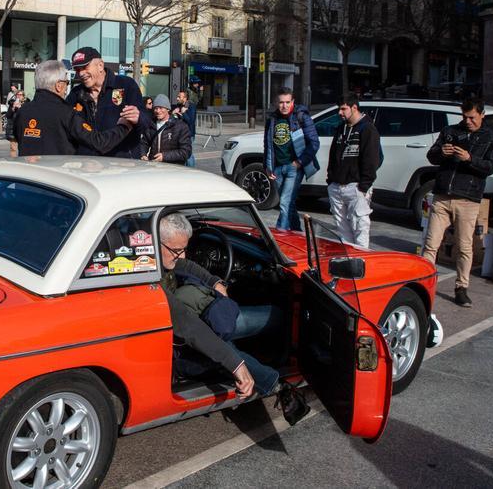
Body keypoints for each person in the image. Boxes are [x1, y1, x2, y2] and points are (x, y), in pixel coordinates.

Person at [157, 213, 307, 419]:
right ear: (157, 243)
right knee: (275, 318)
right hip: (177, 348)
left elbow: (185, 265)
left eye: (184, 249)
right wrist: (235, 364)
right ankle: (278, 384)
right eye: (176, 250)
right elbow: (187, 324)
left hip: (193, 330)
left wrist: (214, 281)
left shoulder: (160, 260)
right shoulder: (149, 279)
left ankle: (277, 384)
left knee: (227, 338)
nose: (182, 255)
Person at [420, 99, 493, 308]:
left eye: (472, 117)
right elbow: (431, 156)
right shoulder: (450, 130)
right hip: (442, 195)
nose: (468, 121)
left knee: (464, 246)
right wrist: (440, 152)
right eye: (464, 117)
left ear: (481, 114)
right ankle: (425, 283)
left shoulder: (491, 137)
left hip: (468, 198)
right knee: (431, 244)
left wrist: (469, 158)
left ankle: (461, 287)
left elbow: (490, 166)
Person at [15, 61, 137, 156]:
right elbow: (98, 142)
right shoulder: (66, 113)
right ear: (59, 86)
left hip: (28, 181)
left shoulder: (23, 111)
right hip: (56, 181)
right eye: (66, 83)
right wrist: (125, 126)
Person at [65, 47, 147, 158]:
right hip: (87, 166)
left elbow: (148, 123)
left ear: (100, 66)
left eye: (85, 67)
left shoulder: (126, 85)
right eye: (77, 70)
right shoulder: (75, 94)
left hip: (122, 166)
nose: (81, 73)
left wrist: (139, 118)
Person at [326, 94, 381, 249]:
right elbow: (333, 155)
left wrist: (364, 186)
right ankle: (348, 261)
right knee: (342, 228)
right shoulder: (341, 128)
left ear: (354, 107)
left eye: (343, 109)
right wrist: (330, 181)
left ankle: (361, 262)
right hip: (337, 186)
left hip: (356, 186)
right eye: (339, 109)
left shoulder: (368, 129)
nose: (340, 113)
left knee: (360, 226)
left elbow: (371, 160)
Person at [263, 88, 320, 231]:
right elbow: (267, 144)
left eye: (287, 102)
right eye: (281, 102)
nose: (284, 106)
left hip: (294, 167)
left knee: (284, 203)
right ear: (277, 102)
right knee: (290, 203)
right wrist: (267, 166)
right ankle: (297, 232)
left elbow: (314, 143)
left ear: (292, 101)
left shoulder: (301, 116)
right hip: (277, 168)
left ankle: (279, 236)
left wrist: (299, 162)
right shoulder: (272, 119)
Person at [140, 94, 192, 165]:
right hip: (153, 166)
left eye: (161, 108)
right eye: (156, 108)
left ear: (168, 109)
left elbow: (186, 152)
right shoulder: (151, 124)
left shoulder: (180, 126)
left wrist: (164, 156)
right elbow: (144, 143)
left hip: (173, 169)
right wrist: (143, 154)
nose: (158, 111)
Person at [172, 89, 198, 167]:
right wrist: (173, 113)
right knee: (182, 154)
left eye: (179, 97)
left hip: (188, 134)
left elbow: (190, 121)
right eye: (177, 96)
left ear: (185, 98)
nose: (177, 98)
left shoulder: (191, 106)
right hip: (179, 134)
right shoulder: (179, 106)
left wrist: (183, 113)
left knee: (188, 155)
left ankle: (192, 171)